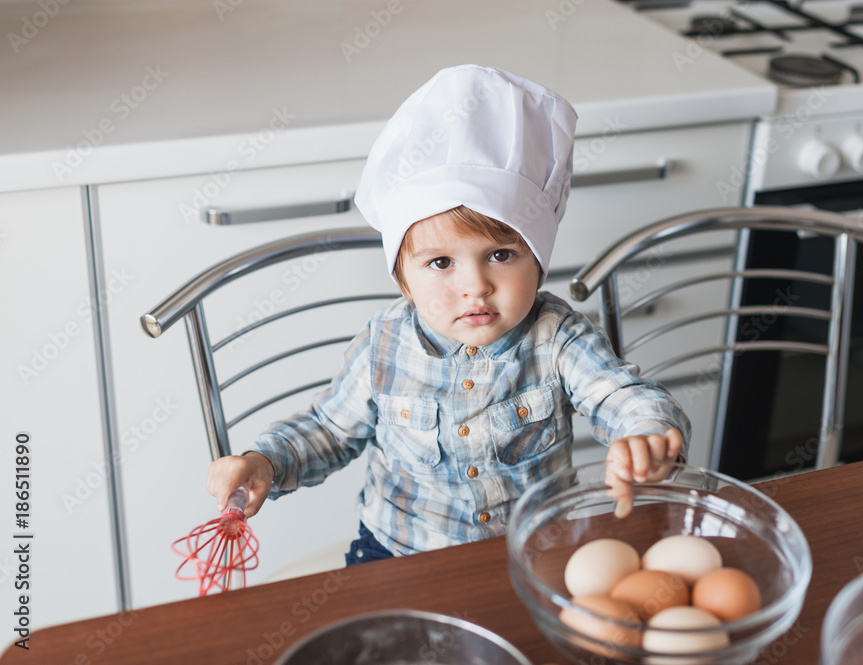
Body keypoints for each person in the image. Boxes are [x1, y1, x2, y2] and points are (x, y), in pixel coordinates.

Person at [205, 64, 691, 565]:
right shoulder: (384, 343)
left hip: (534, 547)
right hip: (398, 552)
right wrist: (263, 462)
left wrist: (646, 435)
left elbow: (623, 396)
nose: (475, 286)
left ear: (539, 261)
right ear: (403, 281)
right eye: (441, 263)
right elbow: (330, 430)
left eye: (501, 255)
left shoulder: (558, 337)